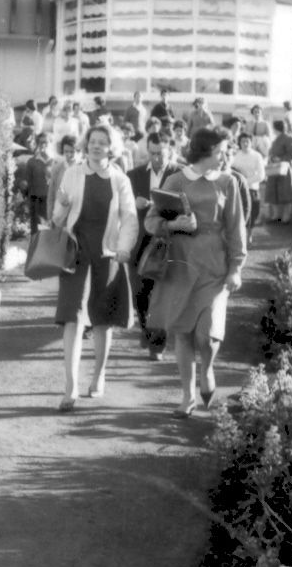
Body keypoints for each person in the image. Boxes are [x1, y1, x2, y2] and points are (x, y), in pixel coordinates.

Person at [144, 127, 246, 418]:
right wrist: (174, 225)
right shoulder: (176, 180)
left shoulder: (228, 182)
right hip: (180, 265)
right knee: (182, 332)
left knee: (206, 334)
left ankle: (207, 369)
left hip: (214, 267)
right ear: (205, 151)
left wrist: (236, 268)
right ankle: (187, 396)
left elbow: (236, 228)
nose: (225, 156)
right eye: (221, 151)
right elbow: (151, 222)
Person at [50, 124, 139, 410]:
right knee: (72, 318)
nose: (96, 146)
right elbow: (57, 219)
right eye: (93, 141)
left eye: (103, 142)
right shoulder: (73, 173)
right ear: (86, 144)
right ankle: (70, 386)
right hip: (76, 254)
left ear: (111, 148)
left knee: (102, 320)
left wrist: (124, 247)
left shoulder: (119, 179)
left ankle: (99, 375)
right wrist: (62, 205)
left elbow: (129, 217)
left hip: (107, 255)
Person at [128, 129, 180, 357]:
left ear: (171, 151)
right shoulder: (134, 175)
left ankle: (157, 343)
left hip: (169, 241)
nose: (156, 158)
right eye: (152, 153)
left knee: (162, 294)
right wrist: (134, 202)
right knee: (140, 293)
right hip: (141, 241)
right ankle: (147, 330)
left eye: (161, 153)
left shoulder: (180, 174)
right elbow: (121, 205)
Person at [229, 131, 266, 244]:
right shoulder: (235, 155)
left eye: (247, 141)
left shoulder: (257, 156)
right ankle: (239, 233)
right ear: (239, 143)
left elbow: (261, 175)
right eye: (243, 141)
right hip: (237, 188)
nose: (245, 144)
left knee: (252, 212)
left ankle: (250, 232)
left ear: (251, 142)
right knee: (238, 212)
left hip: (252, 188)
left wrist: (246, 182)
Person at [264, 119, 292, 225]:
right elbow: (271, 152)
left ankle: (286, 217)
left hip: (286, 170)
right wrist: (271, 158)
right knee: (274, 193)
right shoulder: (275, 139)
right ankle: (276, 216)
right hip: (275, 169)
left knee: (286, 194)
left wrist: (281, 159)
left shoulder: (289, 138)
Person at [47, 133, 79, 213]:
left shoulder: (82, 168)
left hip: (76, 211)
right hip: (59, 212)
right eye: (66, 151)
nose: (69, 155)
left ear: (77, 151)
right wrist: (50, 215)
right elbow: (51, 194)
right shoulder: (57, 168)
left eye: (72, 152)